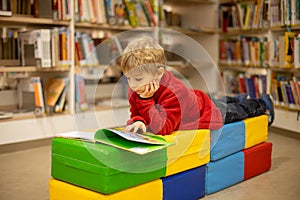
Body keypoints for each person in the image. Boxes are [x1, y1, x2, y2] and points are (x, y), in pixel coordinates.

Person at [120, 37, 274, 135]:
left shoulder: (175, 91)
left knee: (238, 110)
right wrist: (139, 121)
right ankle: (237, 98)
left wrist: (145, 100)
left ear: (159, 73)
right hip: (195, 99)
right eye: (128, 78)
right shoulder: (136, 87)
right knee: (221, 100)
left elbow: (164, 128)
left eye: (138, 79)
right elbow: (137, 112)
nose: (132, 85)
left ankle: (262, 102)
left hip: (206, 112)